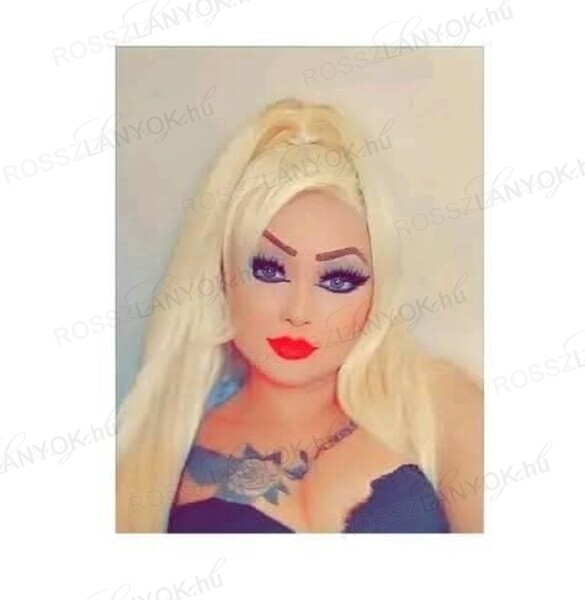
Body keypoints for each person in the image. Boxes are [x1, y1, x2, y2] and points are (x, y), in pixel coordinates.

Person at [116, 98, 483, 533]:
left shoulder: (439, 405)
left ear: (378, 290)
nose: (298, 312)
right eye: (269, 270)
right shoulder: (160, 456)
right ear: (221, 273)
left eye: (339, 279)